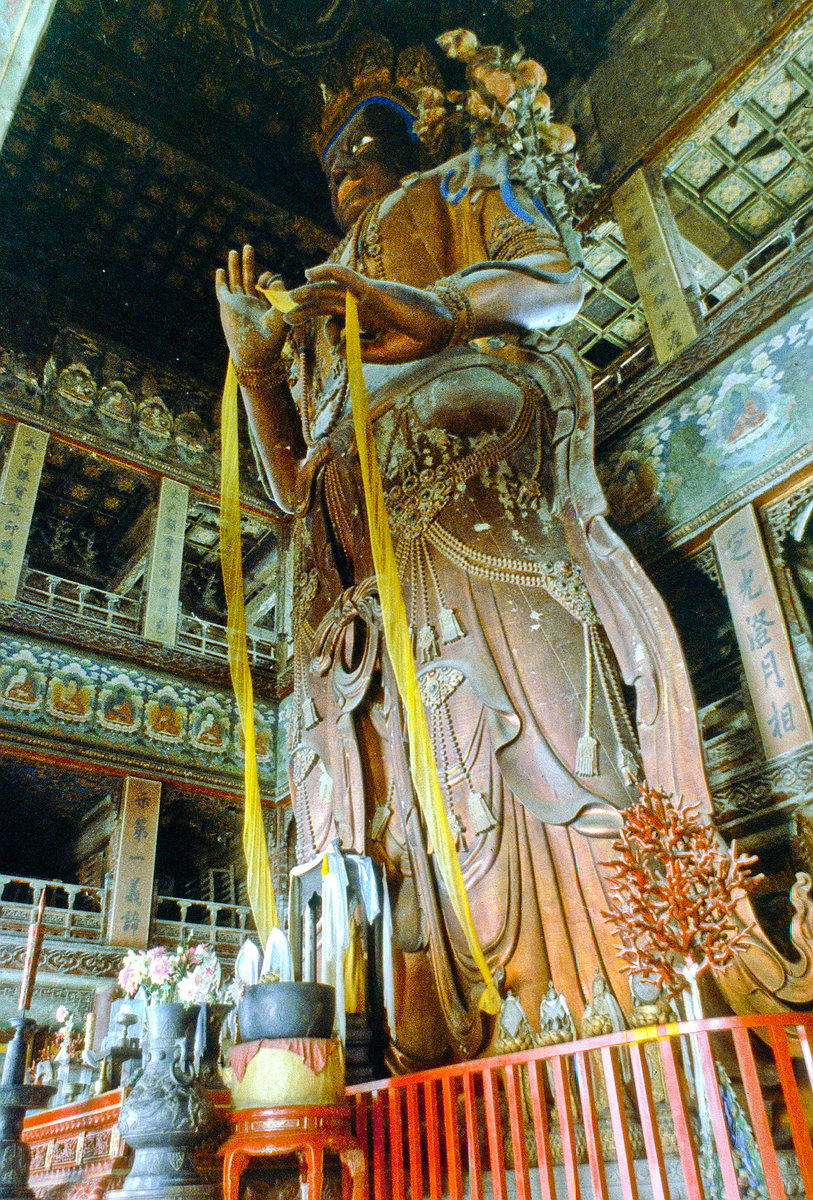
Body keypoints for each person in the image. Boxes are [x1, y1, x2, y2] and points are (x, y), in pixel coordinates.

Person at [217, 83, 813, 1067]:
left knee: (547, 754)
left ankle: (628, 1039)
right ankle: (437, 1050)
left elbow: (554, 284)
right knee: (392, 820)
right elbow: (291, 487)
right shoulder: (322, 311)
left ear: (414, 146)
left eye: (368, 147)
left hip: (476, 511)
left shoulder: (460, 185)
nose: (350, 173)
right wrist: (261, 374)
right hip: (364, 596)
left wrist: (425, 308)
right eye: (333, 168)